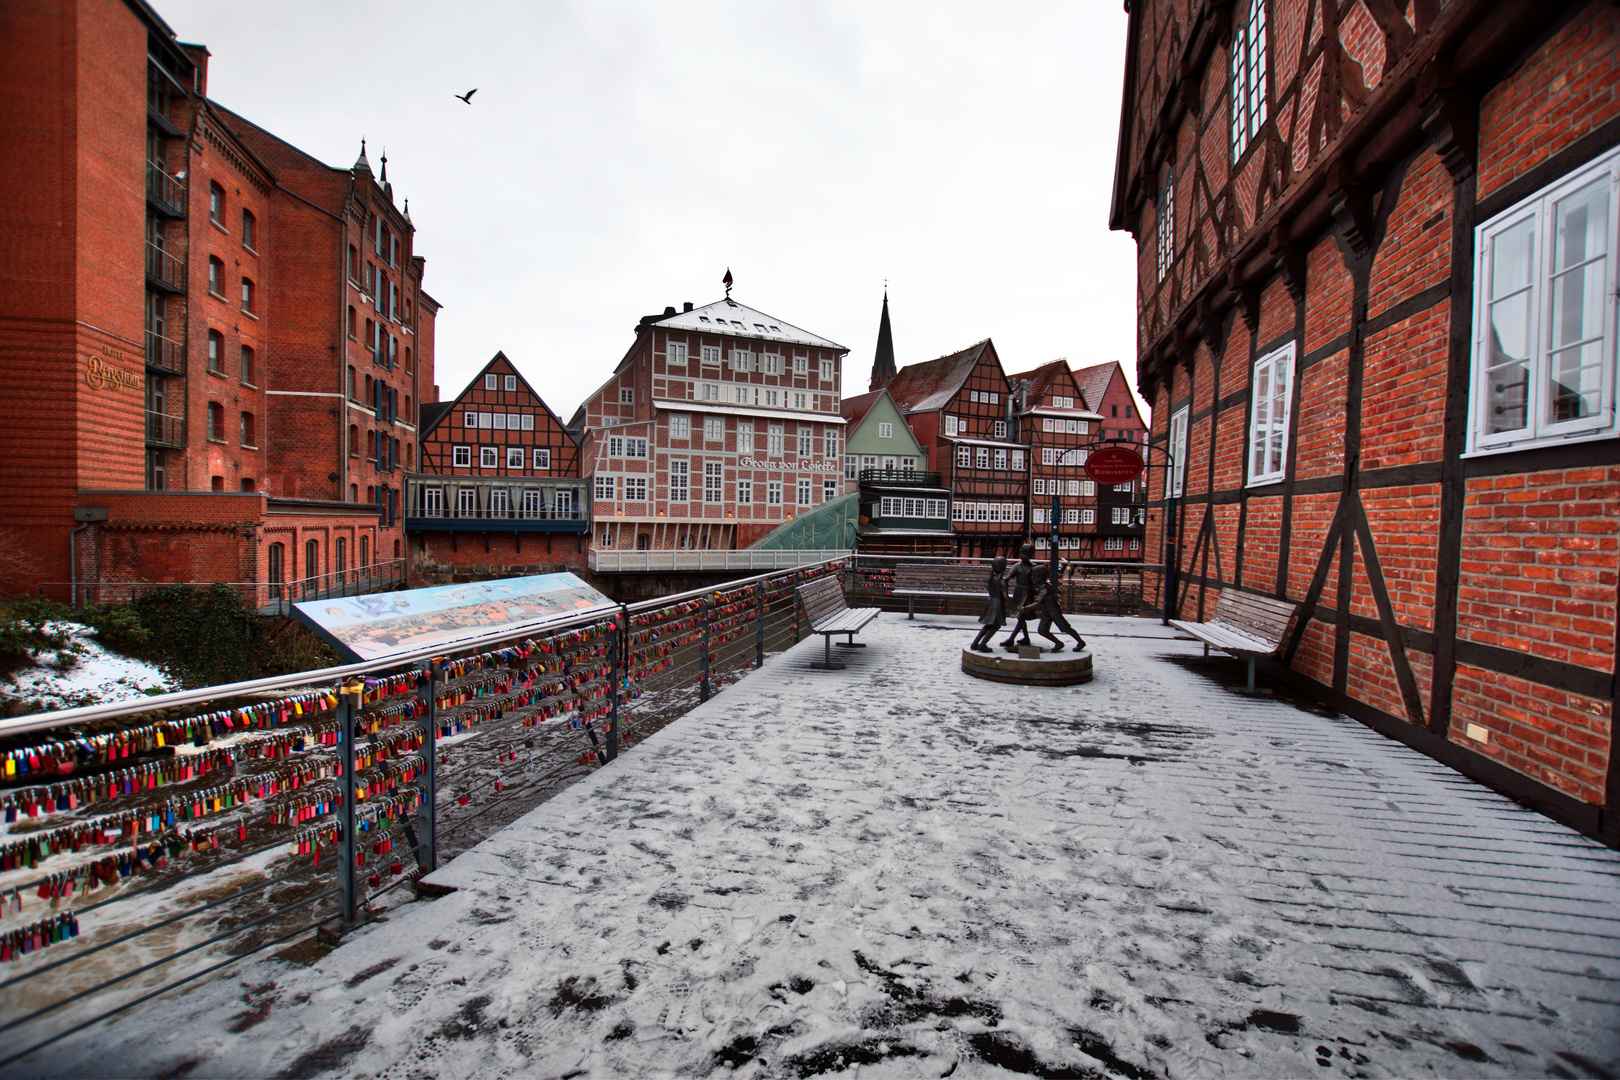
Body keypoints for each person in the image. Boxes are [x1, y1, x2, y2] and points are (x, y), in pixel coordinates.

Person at [999, 544, 1039, 651]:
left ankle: (1011, 638)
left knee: (1021, 615)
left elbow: (1038, 581)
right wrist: (1000, 580)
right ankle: (1026, 638)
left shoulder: (1034, 567)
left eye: (1027, 555)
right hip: (1018, 592)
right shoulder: (1016, 566)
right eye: (1022, 554)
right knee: (1020, 616)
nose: (1024, 557)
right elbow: (1007, 578)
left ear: (1031, 556)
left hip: (1028, 592)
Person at [970, 556, 1009, 652]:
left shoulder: (991, 579)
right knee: (996, 625)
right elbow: (1005, 596)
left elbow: (988, 588)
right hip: (998, 604)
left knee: (988, 624)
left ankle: (975, 643)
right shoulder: (1002, 581)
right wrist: (1015, 606)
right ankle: (982, 644)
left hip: (991, 602)